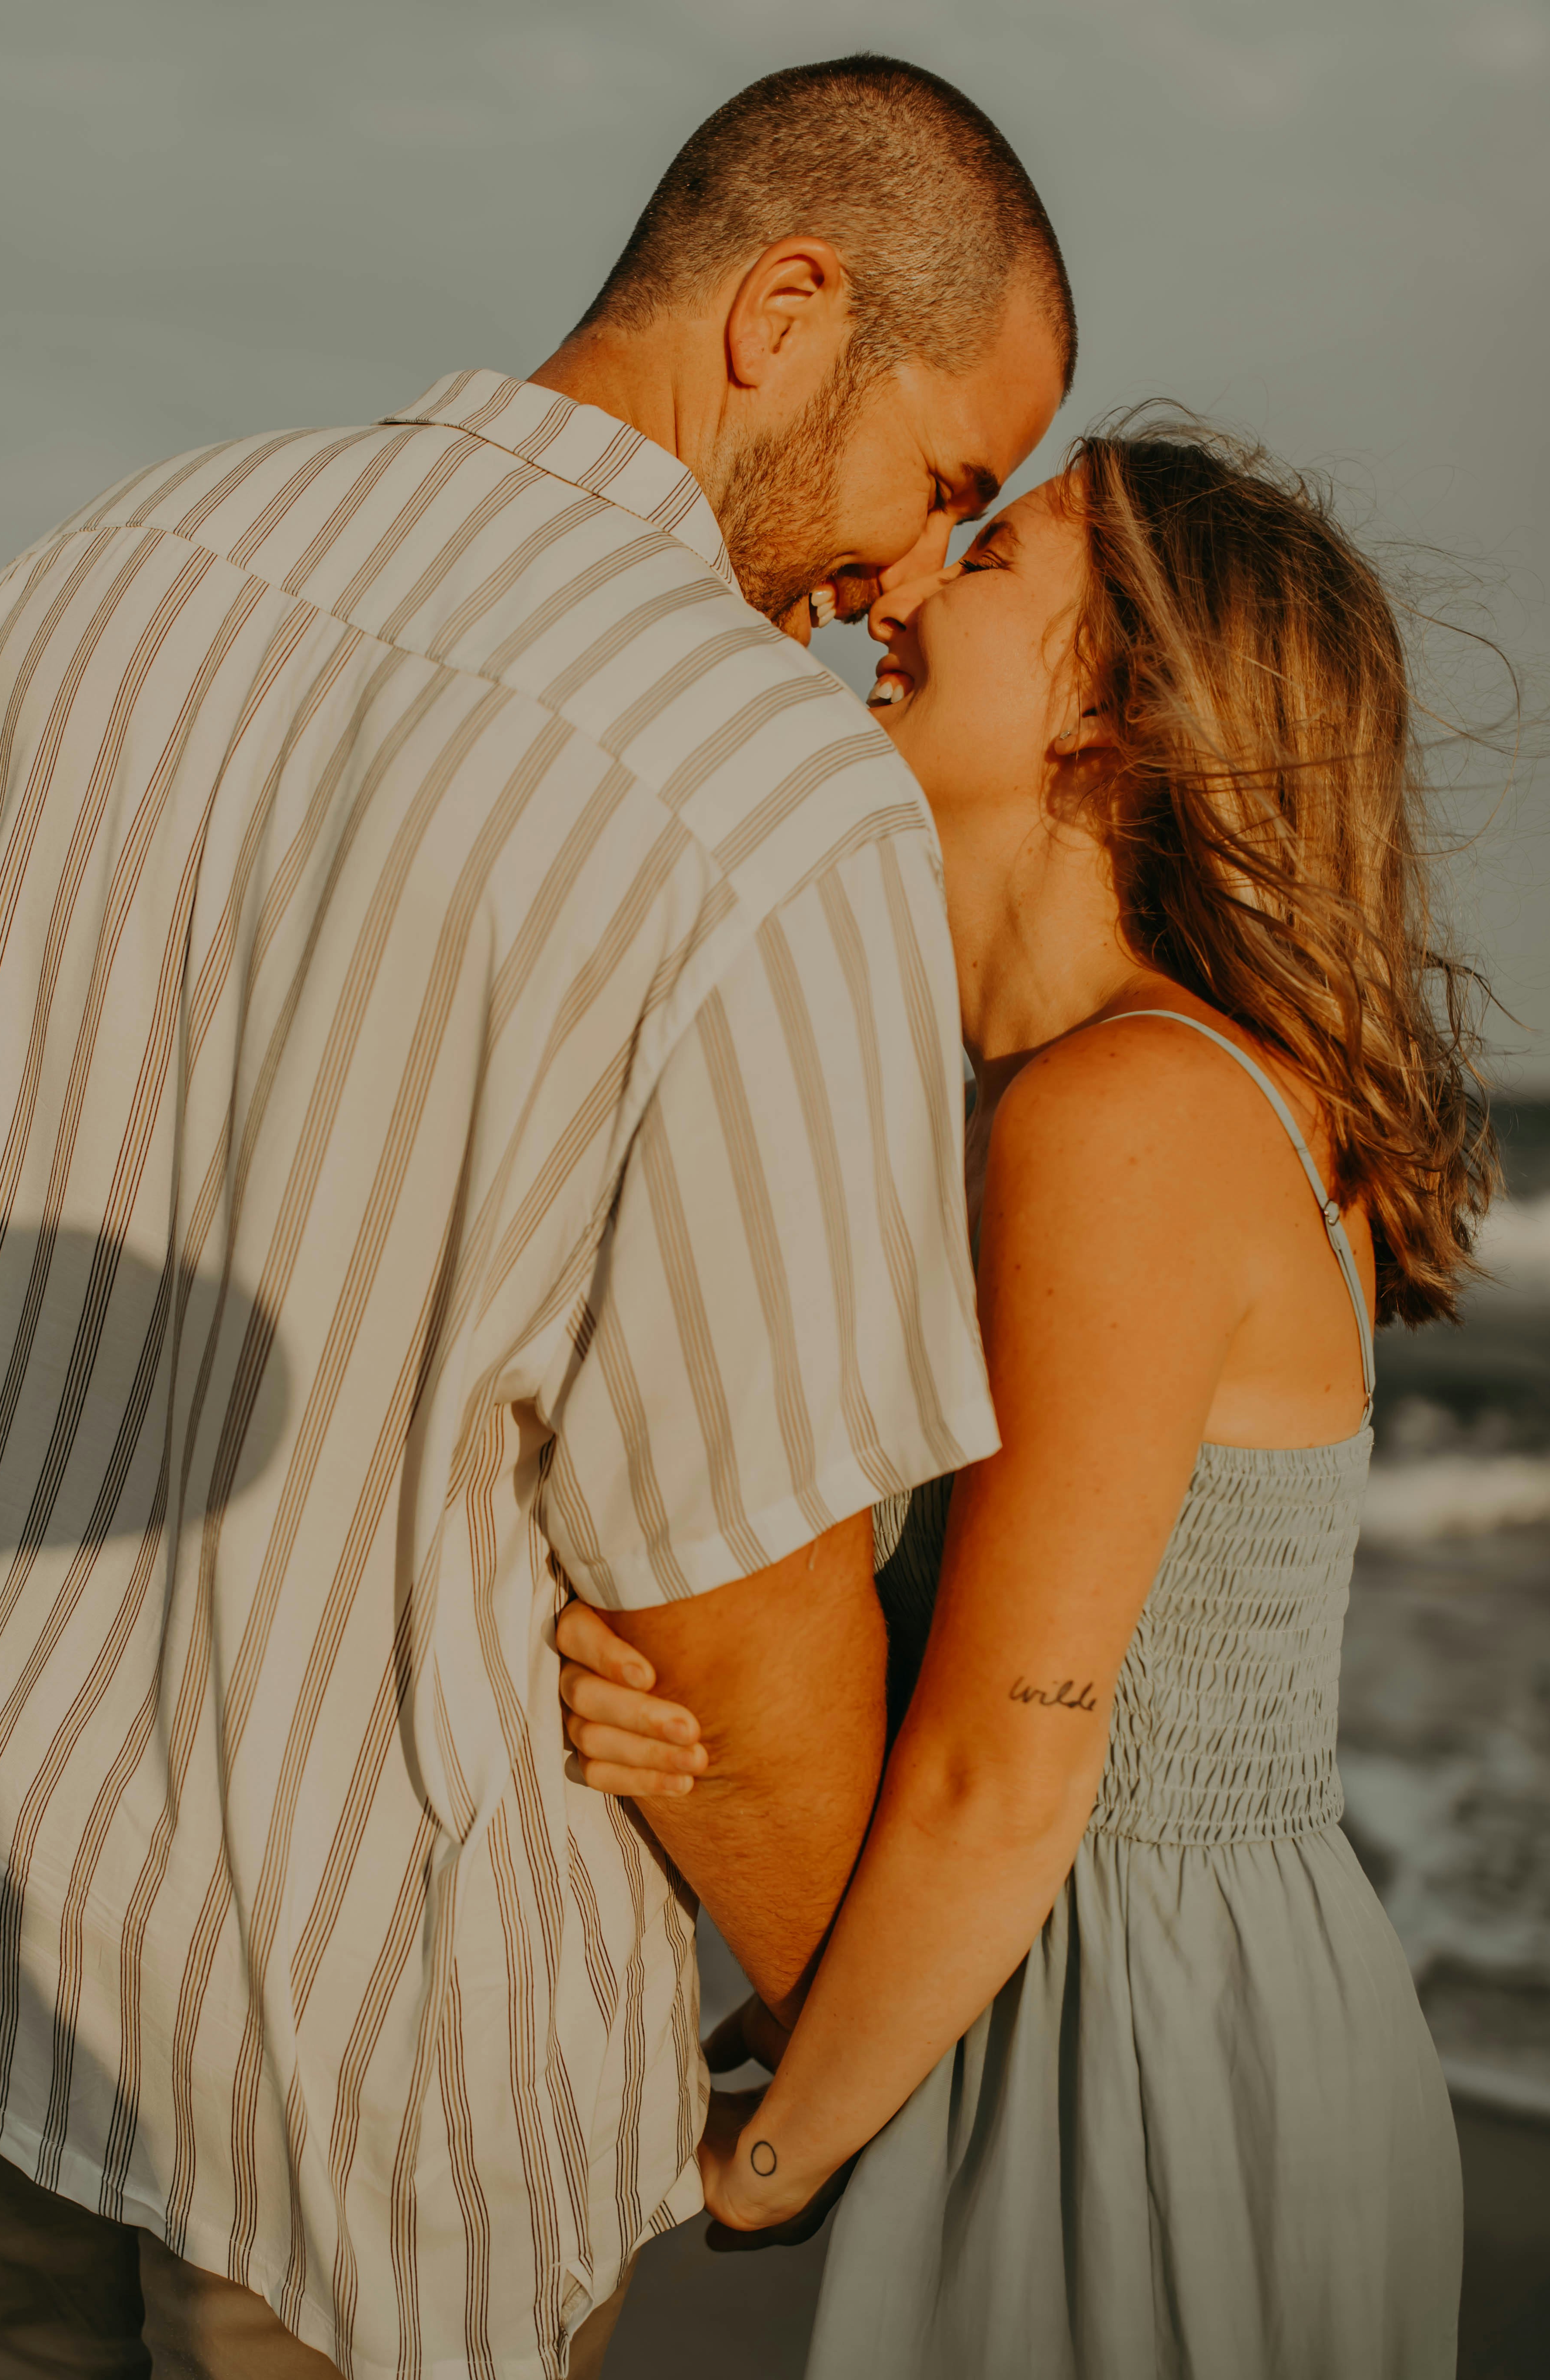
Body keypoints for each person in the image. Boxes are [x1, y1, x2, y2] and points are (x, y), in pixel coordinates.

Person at [0, 55, 1076, 2380]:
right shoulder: (764, 792)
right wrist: (833, 2056)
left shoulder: (104, 570)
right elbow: (732, 1593)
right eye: (943, 481)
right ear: (785, 310)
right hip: (368, 2091)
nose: (901, 580)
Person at [557, 418, 1492, 2377]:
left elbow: (1015, 1767)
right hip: (1146, 1989)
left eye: (985, 563)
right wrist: (691, 1702)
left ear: (1113, 716)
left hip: (1129, 2040)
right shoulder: (1068, 1097)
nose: (895, 587)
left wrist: (769, 2158)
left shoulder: (1122, 1114)